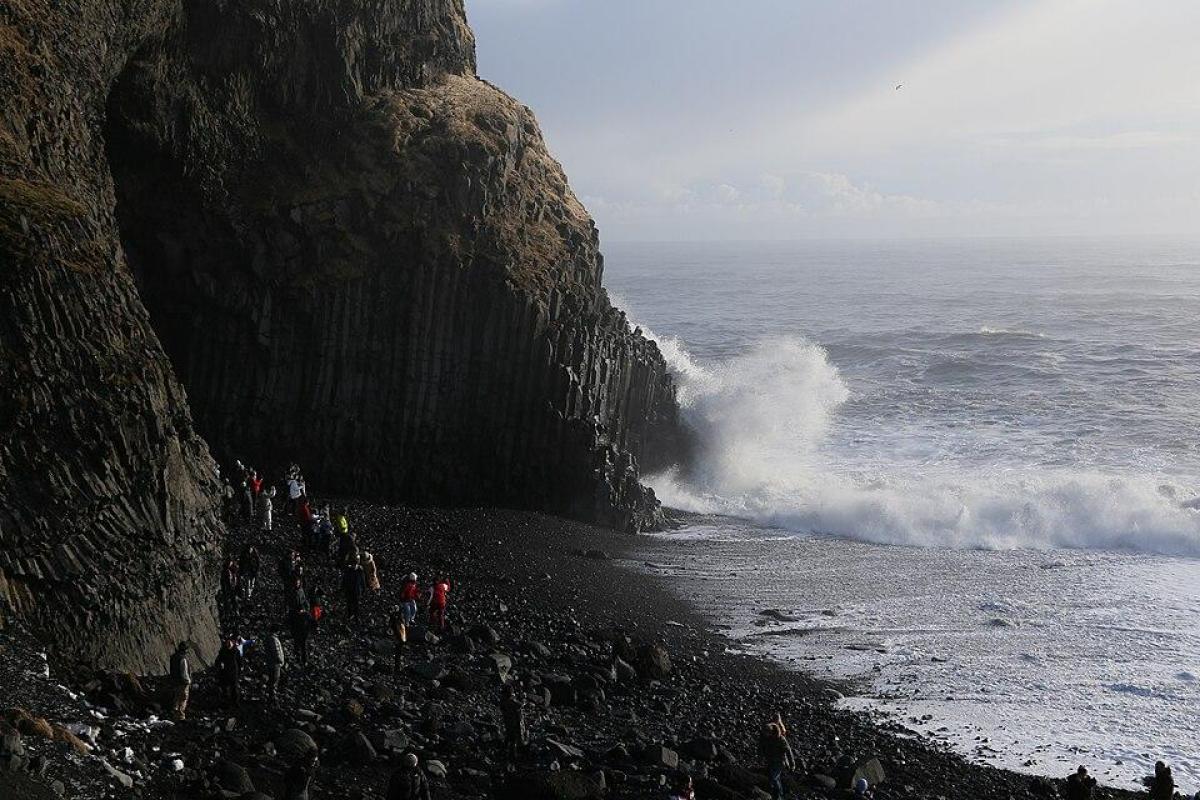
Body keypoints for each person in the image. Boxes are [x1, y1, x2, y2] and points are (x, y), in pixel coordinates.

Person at [758, 715, 795, 800]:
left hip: (780, 761)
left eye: (765, 733)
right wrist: (760, 758)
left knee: (774, 778)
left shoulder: (780, 739)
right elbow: (760, 747)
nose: (764, 734)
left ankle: (778, 796)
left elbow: (788, 751)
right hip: (770, 760)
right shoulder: (765, 738)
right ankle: (779, 795)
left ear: (771, 732)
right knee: (776, 778)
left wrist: (792, 764)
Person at [500, 685, 526, 759]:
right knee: (514, 738)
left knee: (509, 736)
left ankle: (504, 751)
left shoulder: (503, 700)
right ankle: (513, 755)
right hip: (514, 721)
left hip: (507, 720)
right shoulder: (510, 700)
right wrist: (523, 699)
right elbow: (520, 705)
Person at [214, 636, 242, 706]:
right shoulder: (223, 651)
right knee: (225, 688)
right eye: (227, 643)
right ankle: (226, 702)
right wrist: (219, 665)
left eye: (230, 643)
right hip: (225, 672)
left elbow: (239, 663)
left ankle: (235, 702)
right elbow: (218, 660)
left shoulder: (236, 651)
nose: (229, 644)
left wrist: (239, 673)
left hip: (233, 672)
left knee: (234, 689)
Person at [168, 642, 191, 720]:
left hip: (174, 681)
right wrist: (188, 681)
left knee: (176, 698)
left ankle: (174, 714)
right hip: (182, 682)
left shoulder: (173, 657)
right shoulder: (183, 658)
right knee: (183, 698)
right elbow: (184, 671)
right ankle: (180, 716)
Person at [265, 632, 286, 703]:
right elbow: (276, 651)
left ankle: (272, 696)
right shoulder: (273, 639)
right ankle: (272, 698)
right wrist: (280, 660)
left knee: (272, 679)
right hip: (275, 663)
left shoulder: (270, 638)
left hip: (271, 662)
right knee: (274, 679)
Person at [399, 573, 420, 641]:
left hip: (411, 599)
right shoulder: (407, 584)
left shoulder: (413, 584)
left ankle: (411, 619)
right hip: (406, 600)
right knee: (407, 611)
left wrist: (417, 596)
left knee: (414, 609)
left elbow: (415, 591)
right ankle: (407, 622)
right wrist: (402, 598)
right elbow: (403, 592)